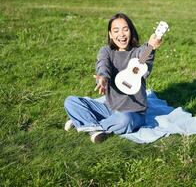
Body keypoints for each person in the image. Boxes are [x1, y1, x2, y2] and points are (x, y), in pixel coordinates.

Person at [64, 12, 162, 143]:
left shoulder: (138, 52)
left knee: (125, 120)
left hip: (133, 113)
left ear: (131, 32)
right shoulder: (106, 51)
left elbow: (145, 59)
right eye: (116, 30)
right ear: (110, 34)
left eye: (125, 29)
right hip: (109, 108)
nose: (121, 35)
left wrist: (151, 47)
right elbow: (102, 65)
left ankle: (85, 124)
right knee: (70, 101)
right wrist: (102, 78)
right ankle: (94, 127)